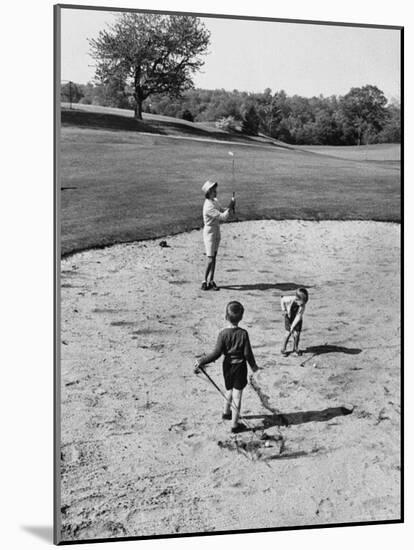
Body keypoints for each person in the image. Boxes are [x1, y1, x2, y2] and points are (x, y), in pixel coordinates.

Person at [194, 301, 259, 433]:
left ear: (226, 316)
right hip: (239, 367)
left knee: (228, 389)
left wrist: (202, 361)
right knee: (237, 395)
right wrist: (254, 367)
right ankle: (235, 425)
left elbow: (216, 353)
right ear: (241, 318)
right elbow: (247, 353)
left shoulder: (223, 334)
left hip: (227, 366)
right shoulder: (243, 334)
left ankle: (226, 412)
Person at [201, 180, 235, 291]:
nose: (216, 192)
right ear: (209, 192)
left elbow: (222, 211)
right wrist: (230, 205)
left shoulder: (214, 201)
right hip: (209, 233)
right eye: (213, 190)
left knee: (214, 256)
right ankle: (204, 281)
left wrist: (230, 207)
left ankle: (211, 280)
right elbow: (223, 217)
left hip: (216, 231)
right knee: (210, 258)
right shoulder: (208, 207)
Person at [280, 288, 309, 356]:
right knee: (288, 333)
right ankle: (283, 349)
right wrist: (284, 310)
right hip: (289, 317)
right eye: (302, 302)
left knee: (297, 334)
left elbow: (298, 316)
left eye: (304, 303)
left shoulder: (302, 306)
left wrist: (293, 326)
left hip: (297, 319)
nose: (303, 304)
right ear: (297, 299)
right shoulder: (289, 299)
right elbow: (282, 300)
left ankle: (295, 348)